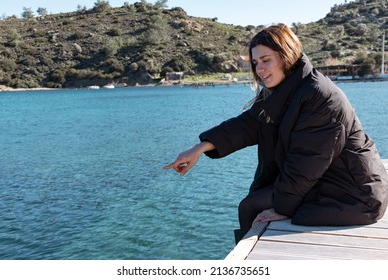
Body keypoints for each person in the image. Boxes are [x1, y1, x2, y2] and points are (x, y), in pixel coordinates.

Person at [163, 24, 388, 244]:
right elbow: (250, 124)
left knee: (251, 205)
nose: (259, 69)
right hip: (328, 179)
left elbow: (307, 161)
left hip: (355, 194)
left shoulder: (321, 97)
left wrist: (282, 208)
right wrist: (200, 148)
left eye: (266, 60)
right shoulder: (283, 91)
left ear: (286, 56)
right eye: (255, 63)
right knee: (252, 203)